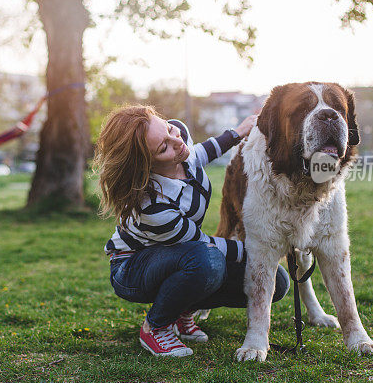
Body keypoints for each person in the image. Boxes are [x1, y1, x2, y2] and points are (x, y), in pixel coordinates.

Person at [95, 106, 290, 358]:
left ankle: (181, 309)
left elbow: (203, 152)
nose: (177, 142)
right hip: (132, 267)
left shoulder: (179, 145)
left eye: (169, 129)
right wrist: (264, 248)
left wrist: (240, 131)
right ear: (145, 165)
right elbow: (203, 243)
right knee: (208, 261)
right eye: (163, 147)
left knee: (278, 281)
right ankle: (156, 327)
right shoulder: (153, 206)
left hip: (180, 255)